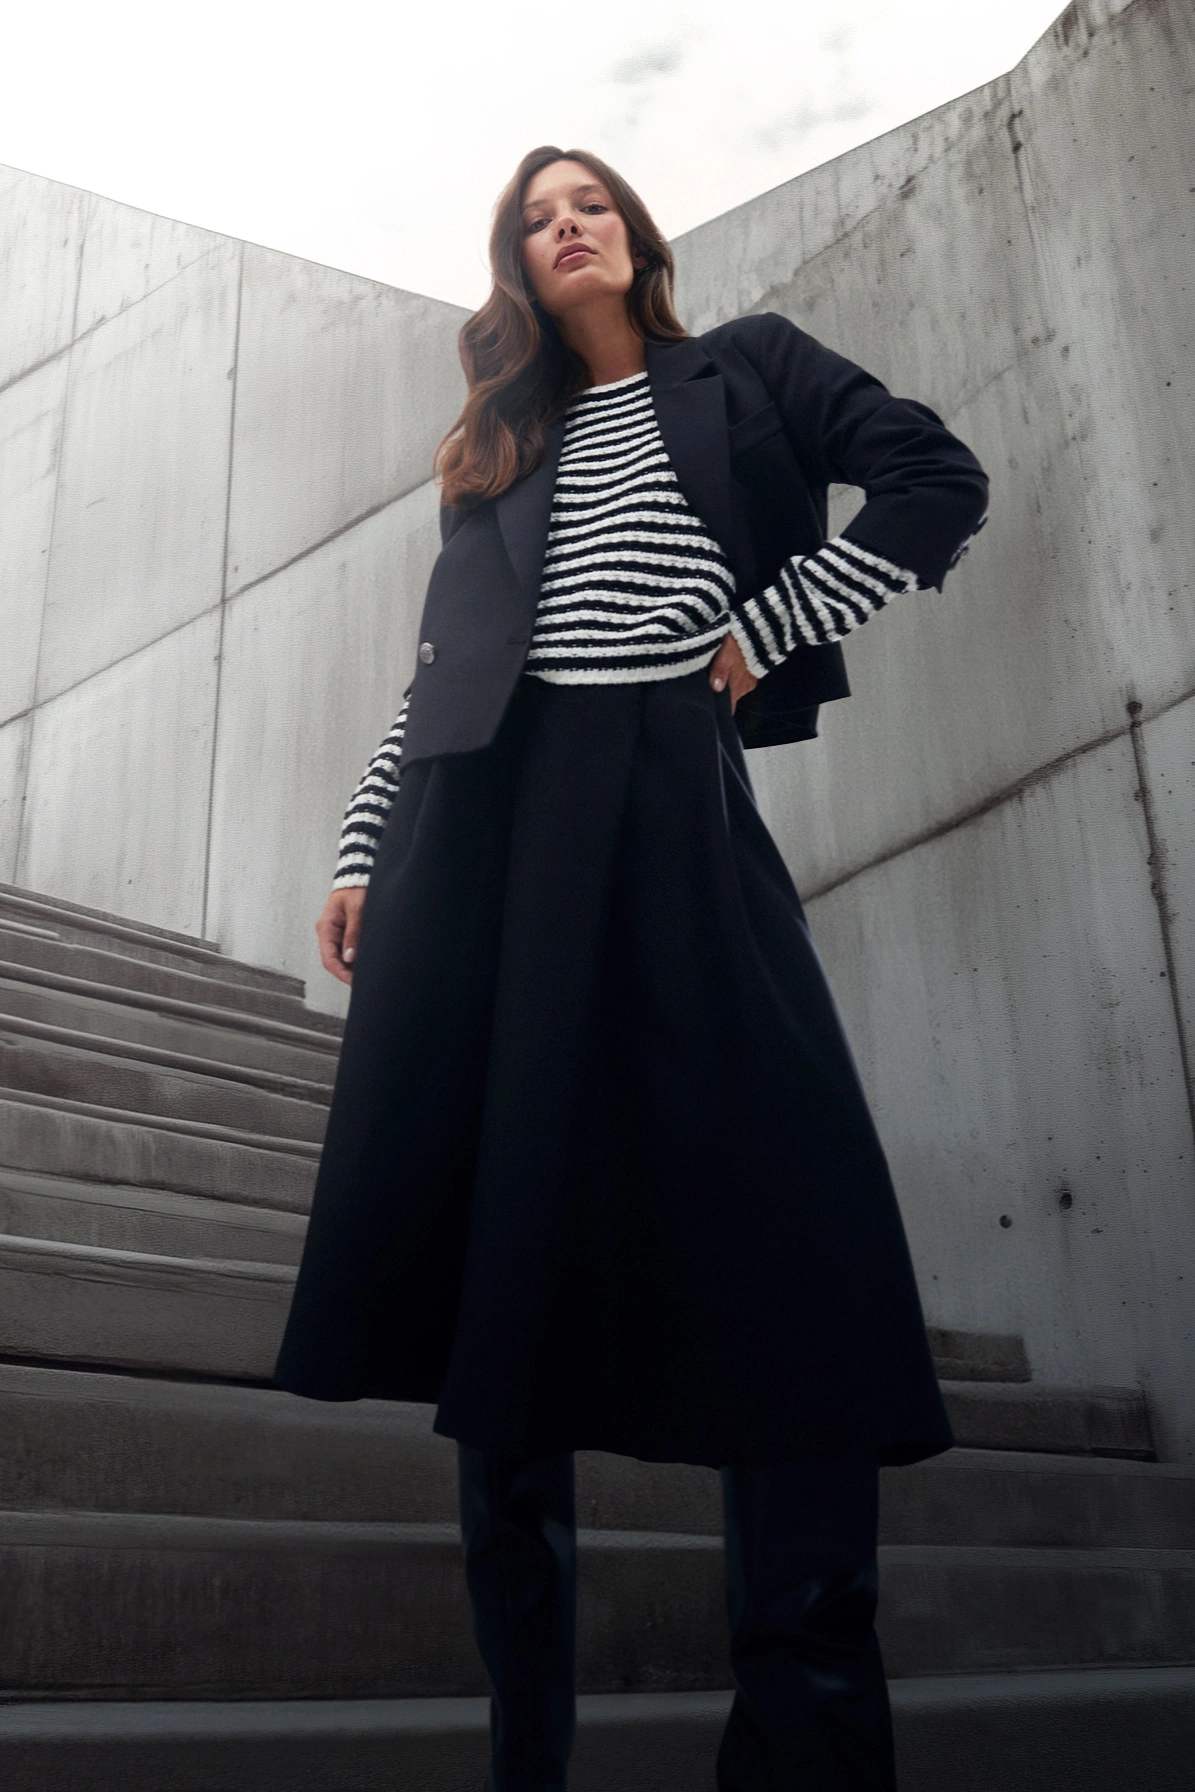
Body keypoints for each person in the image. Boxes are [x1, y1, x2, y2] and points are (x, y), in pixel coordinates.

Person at [273, 144, 989, 1791]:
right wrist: (362, 850)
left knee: (796, 1222)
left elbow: (932, 479)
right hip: (482, 836)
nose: (564, 226)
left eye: (586, 202)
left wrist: (773, 624)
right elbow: (438, 681)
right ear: (515, 269)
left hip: (669, 795)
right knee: (495, 1258)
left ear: (635, 234)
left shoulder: (752, 367)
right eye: (534, 220)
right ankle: (525, 1754)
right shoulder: (493, 451)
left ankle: (803, 1742)